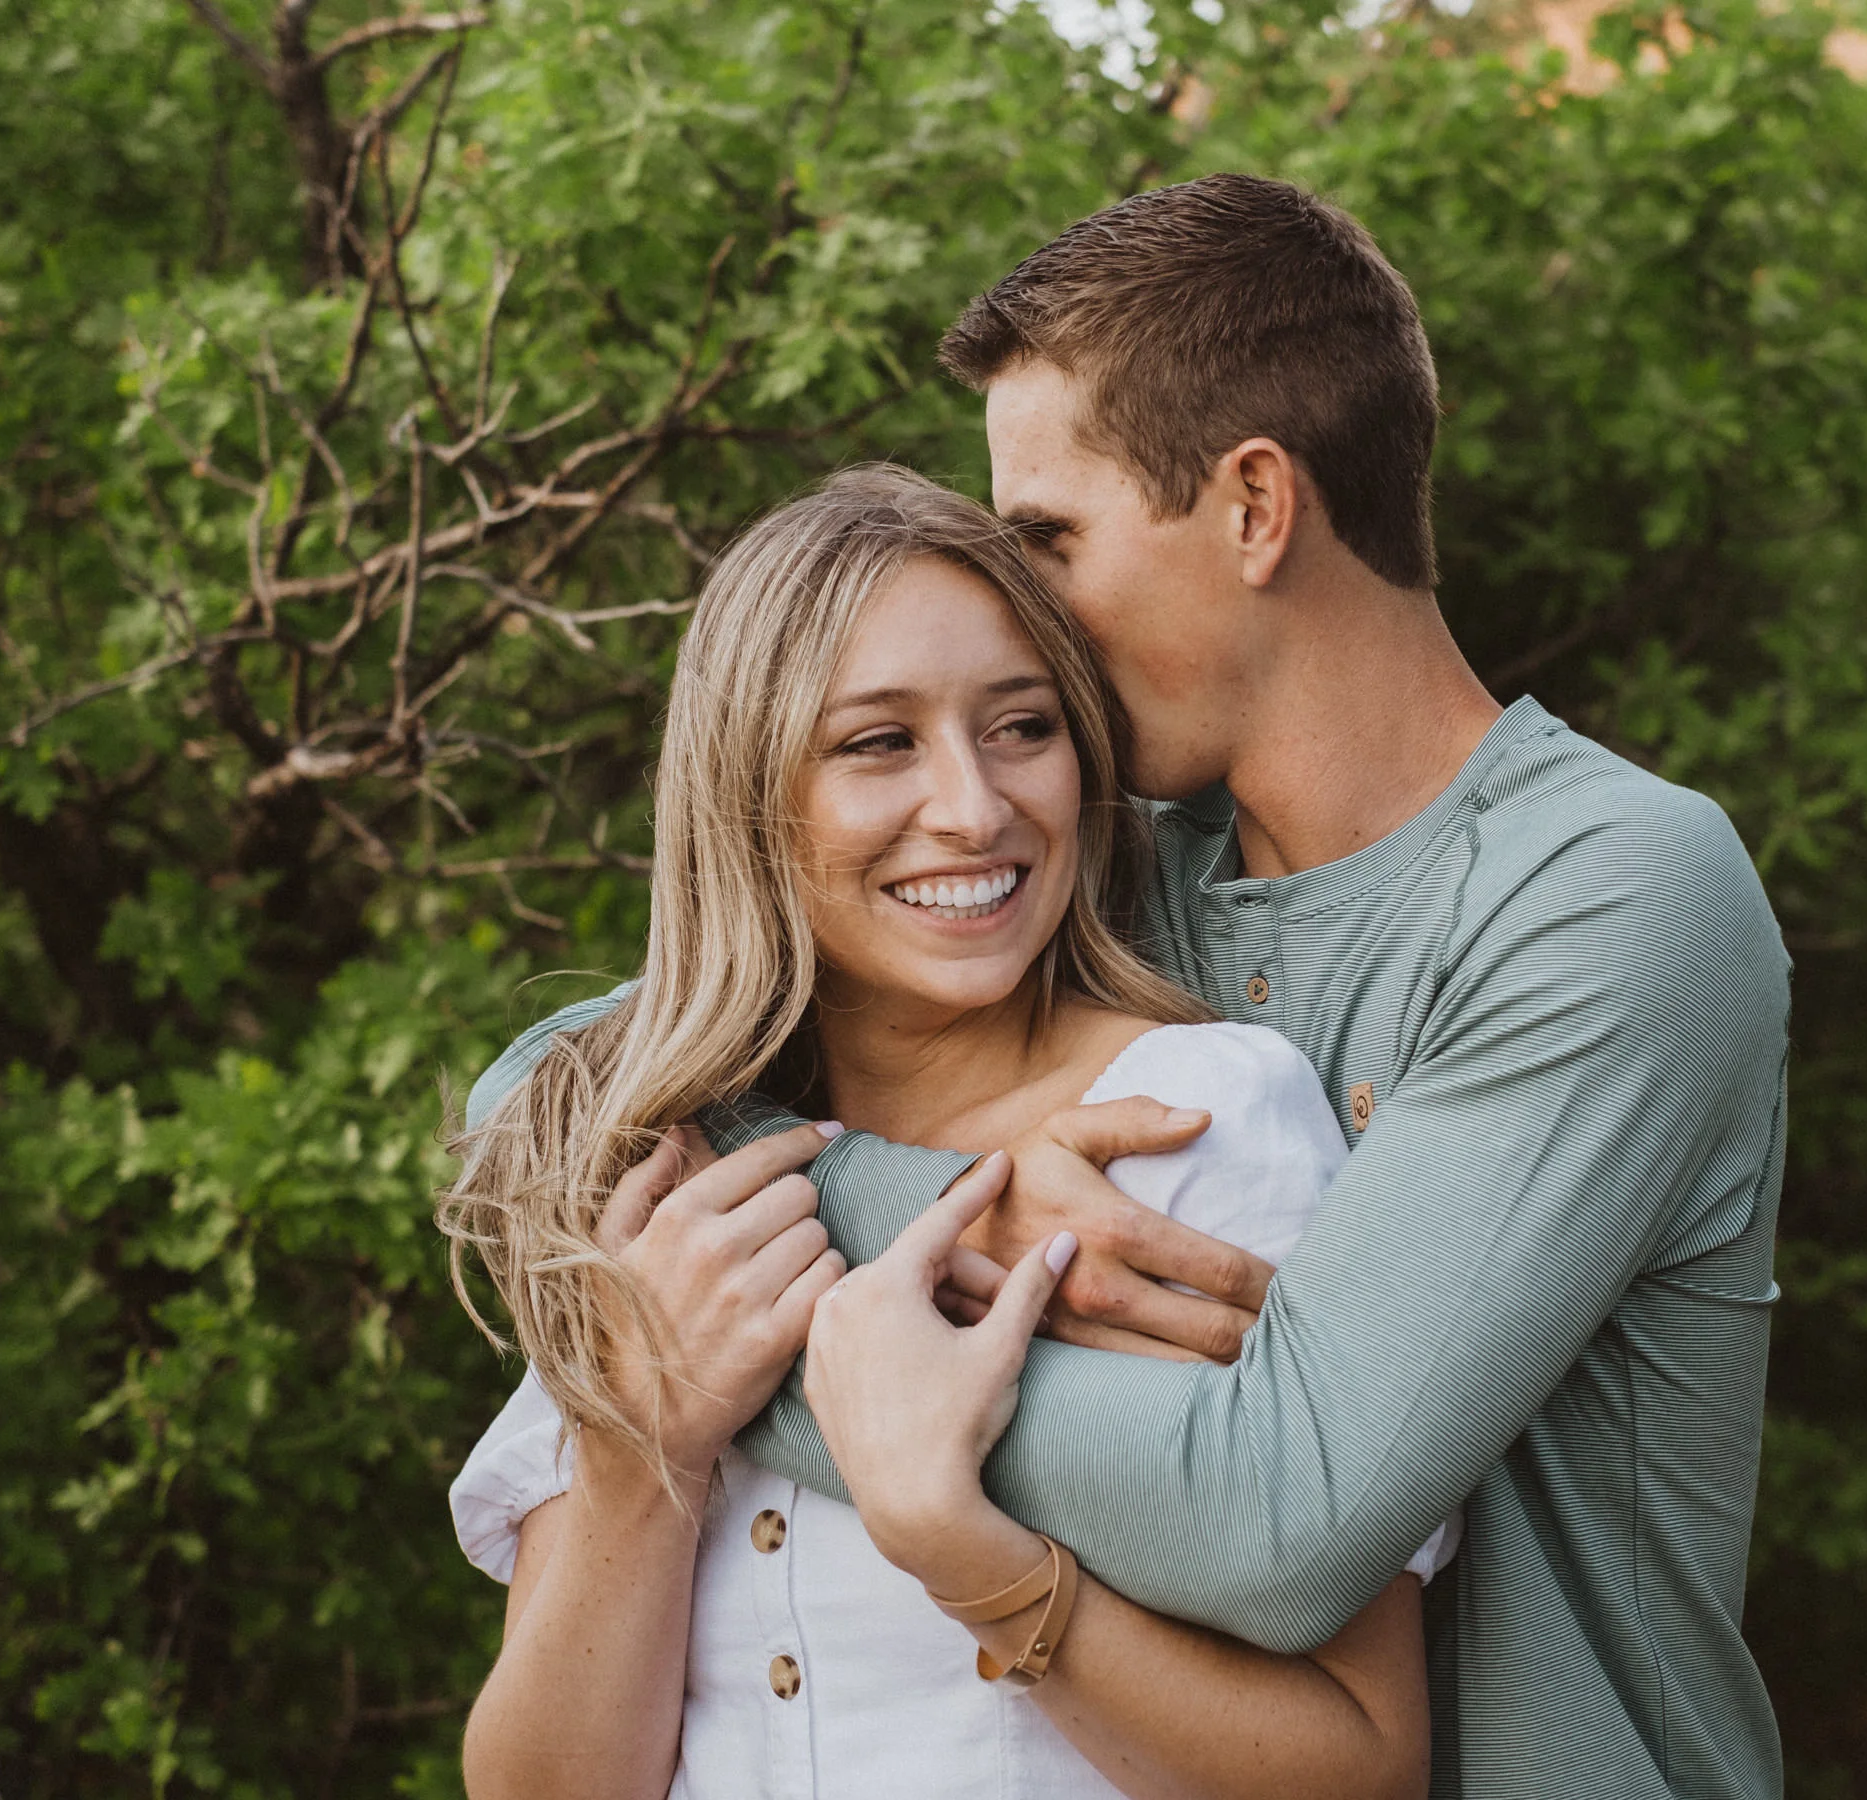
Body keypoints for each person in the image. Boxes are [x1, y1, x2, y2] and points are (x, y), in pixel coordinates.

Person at [466, 173, 1793, 1800]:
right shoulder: (1118, 883)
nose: (1025, 607)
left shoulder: (1607, 888)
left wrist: (793, 1320)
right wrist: (957, 1200)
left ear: (1252, 508)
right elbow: (546, 1083)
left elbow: (1286, 1511)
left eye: (1049, 538)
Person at [441, 464, 1456, 1800]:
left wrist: (968, 1555)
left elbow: (1357, 1764)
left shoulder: (1193, 1122)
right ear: (750, 794)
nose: (975, 809)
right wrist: (651, 1443)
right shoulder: (668, 1172)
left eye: (1021, 727)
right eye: (878, 743)